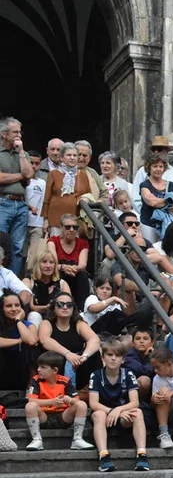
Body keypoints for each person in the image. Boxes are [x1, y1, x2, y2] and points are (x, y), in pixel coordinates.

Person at [88, 339, 148, 473]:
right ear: (103, 358)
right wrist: (111, 411)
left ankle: (142, 455)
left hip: (123, 415)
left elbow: (135, 402)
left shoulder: (128, 374)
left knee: (137, 412)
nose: (113, 358)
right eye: (109, 355)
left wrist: (119, 411)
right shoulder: (96, 375)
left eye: (117, 355)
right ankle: (104, 457)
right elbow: (93, 403)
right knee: (98, 414)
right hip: (104, 414)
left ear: (123, 359)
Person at [25, 351, 92, 451]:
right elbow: (31, 400)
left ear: (55, 370)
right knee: (30, 406)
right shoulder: (36, 380)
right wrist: (52, 402)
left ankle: (77, 439)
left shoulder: (65, 381)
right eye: (38, 366)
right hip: (44, 417)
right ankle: (36, 439)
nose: (38, 370)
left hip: (63, 416)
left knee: (81, 404)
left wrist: (70, 400)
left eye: (43, 367)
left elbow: (76, 400)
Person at [37, 293, 101, 389]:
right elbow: (45, 340)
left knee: (94, 354)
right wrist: (68, 354)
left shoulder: (78, 323)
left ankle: (92, 389)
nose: (65, 307)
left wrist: (84, 357)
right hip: (56, 365)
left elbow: (94, 340)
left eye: (69, 305)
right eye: (60, 304)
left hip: (77, 364)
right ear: (54, 308)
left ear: (73, 308)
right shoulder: (46, 323)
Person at [0, 117, 34, 274]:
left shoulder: (23, 153)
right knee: (1, 244)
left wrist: (21, 152)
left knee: (18, 247)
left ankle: (13, 281)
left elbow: (29, 174)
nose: (19, 135)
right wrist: (21, 176)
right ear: (4, 134)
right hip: (3, 202)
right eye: (15, 132)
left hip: (21, 204)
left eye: (20, 132)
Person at [42, 143, 89, 235]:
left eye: (74, 155)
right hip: (55, 218)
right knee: (56, 242)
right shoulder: (53, 174)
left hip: (75, 219)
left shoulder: (83, 175)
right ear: (62, 157)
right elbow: (47, 199)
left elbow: (88, 193)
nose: (72, 158)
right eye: (69, 155)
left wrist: (85, 198)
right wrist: (46, 219)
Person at [138, 154, 173, 241]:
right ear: (149, 168)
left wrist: (158, 201)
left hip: (167, 226)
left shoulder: (171, 185)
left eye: (161, 166)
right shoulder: (144, 185)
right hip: (148, 225)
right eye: (155, 166)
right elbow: (152, 202)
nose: (158, 169)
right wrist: (170, 201)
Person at [0, 291, 37, 391]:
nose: (14, 309)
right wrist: (19, 340)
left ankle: (30, 387)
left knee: (32, 349)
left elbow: (32, 341)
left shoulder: (28, 325)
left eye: (17, 305)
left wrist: (18, 321)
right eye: (9, 306)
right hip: (3, 367)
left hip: (20, 369)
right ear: (2, 309)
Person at [23, 252, 70, 326]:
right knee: (34, 315)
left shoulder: (62, 283)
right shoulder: (29, 281)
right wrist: (46, 308)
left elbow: (69, 305)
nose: (48, 266)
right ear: (37, 264)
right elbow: (29, 307)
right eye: (44, 262)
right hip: (35, 318)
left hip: (56, 318)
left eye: (51, 262)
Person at [124, 326, 157, 402]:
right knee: (144, 380)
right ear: (133, 342)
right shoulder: (129, 356)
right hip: (130, 389)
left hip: (152, 390)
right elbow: (142, 371)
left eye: (145, 339)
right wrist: (150, 359)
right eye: (138, 339)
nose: (141, 341)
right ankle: (140, 403)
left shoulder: (155, 353)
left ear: (152, 342)